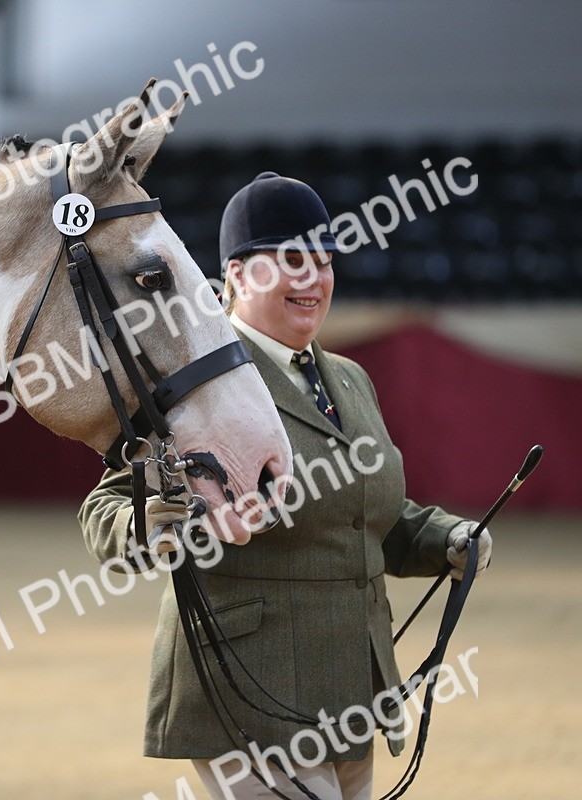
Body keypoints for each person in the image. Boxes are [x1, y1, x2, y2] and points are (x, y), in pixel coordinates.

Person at [77, 172, 493, 800]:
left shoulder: (349, 378)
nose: (313, 279)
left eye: (325, 263)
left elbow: (364, 517)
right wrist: (170, 524)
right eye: (291, 261)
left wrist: (447, 538)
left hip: (351, 690)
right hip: (249, 687)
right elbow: (106, 507)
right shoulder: (196, 383)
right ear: (237, 277)